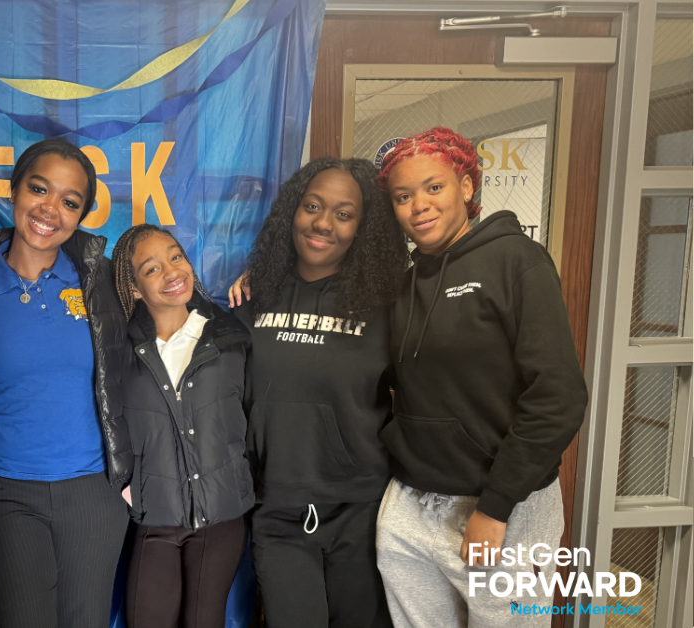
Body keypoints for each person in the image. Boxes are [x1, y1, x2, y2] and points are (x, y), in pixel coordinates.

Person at [373, 127, 587, 627]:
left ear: (467, 187)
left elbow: (558, 397)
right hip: (411, 506)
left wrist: (494, 510)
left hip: (501, 510)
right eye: (403, 196)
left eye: (434, 187)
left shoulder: (517, 261)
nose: (418, 206)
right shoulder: (404, 286)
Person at [0, 138, 130, 628]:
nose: (50, 210)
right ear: (14, 190)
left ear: (82, 215)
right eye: (39, 189)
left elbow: (172, 297)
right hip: (5, 495)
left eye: (70, 201)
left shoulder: (101, 280)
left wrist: (253, 284)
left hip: (93, 493)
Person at [228, 157, 408, 627]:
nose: (323, 223)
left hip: (360, 510)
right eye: (312, 206)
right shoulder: (254, 298)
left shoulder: (387, 306)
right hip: (278, 510)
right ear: (293, 210)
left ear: (362, 228)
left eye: (344, 214)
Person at [111, 224, 253, 628]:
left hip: (222, 516)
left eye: (176, 256)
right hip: (155, 515)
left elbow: (254, 415)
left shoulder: (230, 336)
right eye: (152, 268)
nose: (173, 272)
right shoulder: (119, 348)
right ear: (134, 287)